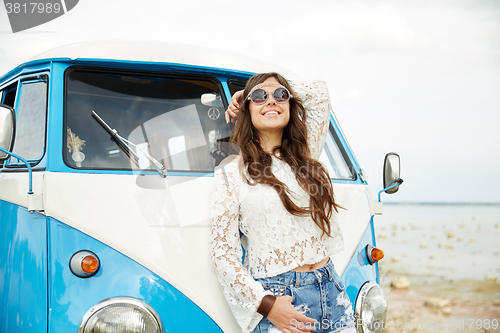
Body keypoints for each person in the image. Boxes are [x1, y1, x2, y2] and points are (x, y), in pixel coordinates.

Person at [210, 72, 355, 333]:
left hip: (331, 289)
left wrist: (249, 91)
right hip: (280, 298)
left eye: (280, 96)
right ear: (246, 112)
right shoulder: (230, 172)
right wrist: (267, 305)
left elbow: (319, 92)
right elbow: (223, 253)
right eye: (259, 97)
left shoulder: (305, 154)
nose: (271, 101)